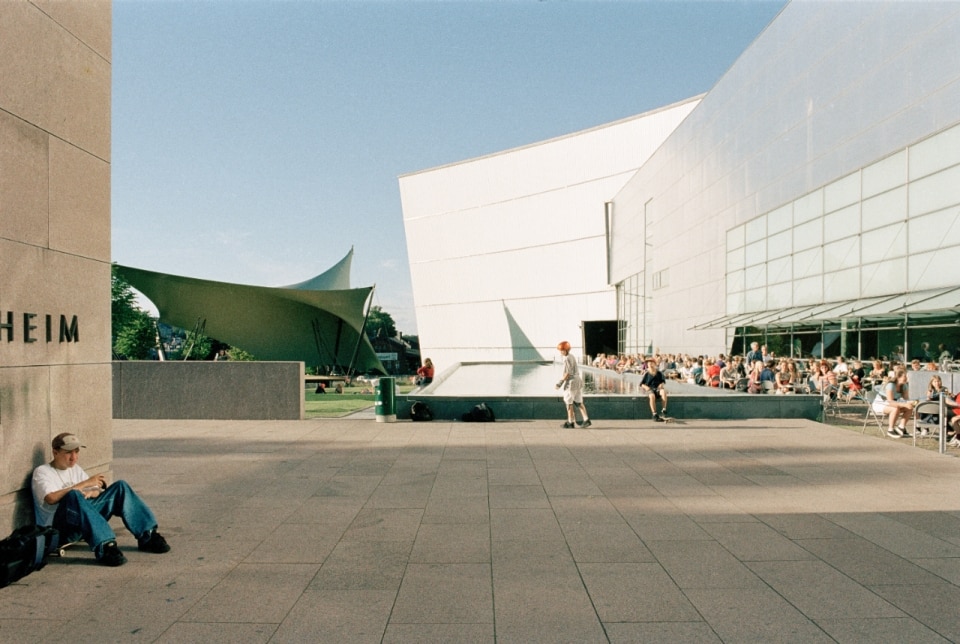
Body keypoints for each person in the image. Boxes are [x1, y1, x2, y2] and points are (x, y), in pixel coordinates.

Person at [32, 433, 170, 567]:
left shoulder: (75, 469)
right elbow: (50, 498)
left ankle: (148, 536)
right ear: (55, 452)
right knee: (73, 495)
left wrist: (92, 492)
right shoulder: (42, 471)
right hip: (59, 530)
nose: (74, 457)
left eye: (76, 451)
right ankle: (106, 547)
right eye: (68, 452)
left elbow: (96, 490)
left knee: (120, 487)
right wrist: (84, 485)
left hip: (82, 523)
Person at [555, 341, 591, 428]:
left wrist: (560, 383)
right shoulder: (572, 356)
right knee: (578, 402)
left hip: (571, 382)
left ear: (566, 350)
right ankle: (586, 419)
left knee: (568, 402)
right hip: (578, 381)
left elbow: (567, 373)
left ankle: (570, 422)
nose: (561, 352)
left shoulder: (566, 358)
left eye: (562, 350)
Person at [872, 368, 916, 438]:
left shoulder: (904, 385)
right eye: (905, 376)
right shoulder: (891, 385)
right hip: (881, 403)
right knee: (895, 409)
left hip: (893, 403)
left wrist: (912, 402)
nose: (907, 378)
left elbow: (906, 399)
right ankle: (890, 430)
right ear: (898, 377)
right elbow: (890, 402)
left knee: (909, 408)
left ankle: (901, 427)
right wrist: (904, 404)